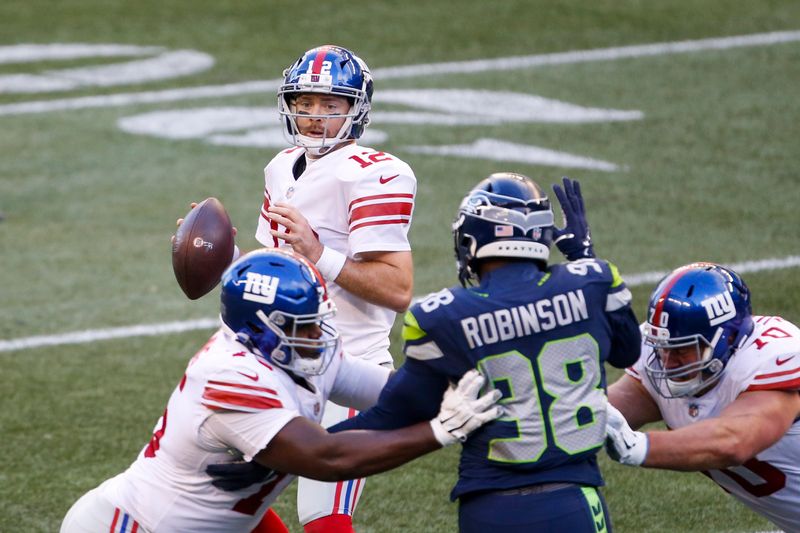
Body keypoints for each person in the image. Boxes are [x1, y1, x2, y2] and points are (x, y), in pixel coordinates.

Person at [61, 248, 501, 533]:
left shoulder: (302, 352)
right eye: (302, 325)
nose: (318, 333)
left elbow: (391, 394)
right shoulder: (229, 376)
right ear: (260, 331)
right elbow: (328, 458)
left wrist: (464, 384)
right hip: (132, 526)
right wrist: (439, 431)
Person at [324, 173, 642, 531]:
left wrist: (305, 447)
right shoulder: (596, 282)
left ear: (471, 240)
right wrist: (585, 256)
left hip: (490, 508)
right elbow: (627, 352)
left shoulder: (445, 315)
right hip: (574, 501)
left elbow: (390, 416)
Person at [255, 44, 417, 533]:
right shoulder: (281, 166)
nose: (315, 116)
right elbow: (271, 267)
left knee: (324, 518)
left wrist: (317, 252)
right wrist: (212, 255)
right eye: (305, 102)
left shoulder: (376, 174)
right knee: (221, 494)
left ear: (356, 109)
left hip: (347, 365)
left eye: (331, 105)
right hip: (281, 360)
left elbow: (397, 289)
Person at [605, 262, 800, 532]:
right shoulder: (661, 360)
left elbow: (733, 441)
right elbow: (603, 414)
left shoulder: (769, 359)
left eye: (683, 349)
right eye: (664, 348)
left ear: (726, 338)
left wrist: (637, 446)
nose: (668, 362)